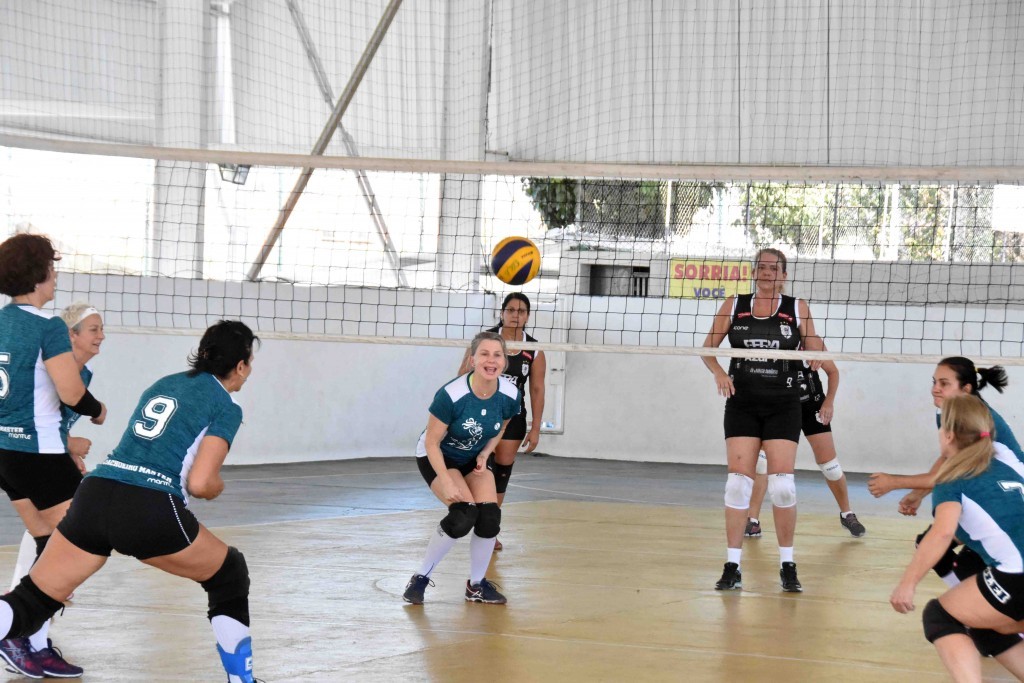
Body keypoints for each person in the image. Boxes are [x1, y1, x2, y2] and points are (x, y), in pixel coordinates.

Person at [0, 320, 261, 683]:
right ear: (242, 365)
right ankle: (241, 681)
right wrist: (217, 488)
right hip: (148, 507)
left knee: (32, 600)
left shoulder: (165, 383)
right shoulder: (226, 405)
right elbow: (201, 483)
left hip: (94, 494)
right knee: (229, 572)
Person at [0, 234, 107, 678]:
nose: (56, 274)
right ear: (41, 273)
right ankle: (13, 629)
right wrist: (98, 411)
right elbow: (70, 391)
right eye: (53, 266)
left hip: (5, 453)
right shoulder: (45, 326)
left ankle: (31, 639)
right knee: (87, 542)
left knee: (49, 547)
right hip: (39, 454)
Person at [701, 248, 825, 593]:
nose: (767, 272)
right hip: (742, 404)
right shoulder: (734, 304)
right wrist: (718, 374)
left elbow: (816, 348)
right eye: (762, 267)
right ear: (754, 272)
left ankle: (788, 563)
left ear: (784, 275)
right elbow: (707, 348)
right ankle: (732, 564)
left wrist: (815, 357)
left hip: (784, 404)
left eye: (774, 268)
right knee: (737, 484)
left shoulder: (796, 308)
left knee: (782, 485)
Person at [890, 394, 1024, 681]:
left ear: (948, 435)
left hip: (1017, 574)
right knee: (984, 624)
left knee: (941, 615)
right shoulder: (1010, 460)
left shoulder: (952, 479)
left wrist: (907, 584)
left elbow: (942, 534)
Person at [869, 357, 1019, 589]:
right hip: (989, 493)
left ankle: (979, 612)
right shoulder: (950, 411)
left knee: (953, 552)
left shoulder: (975, 418)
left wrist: (892, 482)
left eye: (944, 383)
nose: (935, 388)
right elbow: (949, 460)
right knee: (933, 547)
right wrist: (918, 494)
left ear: (966, 389)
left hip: (1007, 496)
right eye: (935, 382)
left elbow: (949, 474)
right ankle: (972, 609)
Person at [404, 331, 521, 605]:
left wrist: (486, 452)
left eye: (497, 355)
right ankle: (420, 577)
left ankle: (477, 586)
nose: (491, 361)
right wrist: (445, 480)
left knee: (489, 517)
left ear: (504, 362)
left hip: (473, 456)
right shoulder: (451, 395)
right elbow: (432, 442)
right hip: (439, 455)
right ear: (472, 360)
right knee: (463, 516)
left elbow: (502, 426)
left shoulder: (509, 394)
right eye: (484, 354)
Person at [9, 303, 105, 592]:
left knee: (49, 531)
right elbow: (27, 418)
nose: (101, 336)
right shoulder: (51, 366)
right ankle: (24, 601)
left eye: (101, 329)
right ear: (71, 335)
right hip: (22, 451)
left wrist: (68, 449)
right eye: (94, 329)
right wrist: (72, 441)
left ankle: (25, 608)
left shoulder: (83, 373)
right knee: (74, 531)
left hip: (36, 453)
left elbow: (53, 422)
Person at [457, 293, 546, 551]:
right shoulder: (485, 340)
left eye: (521, 311)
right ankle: (476, 519)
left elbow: (538, 389)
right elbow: (462, 375)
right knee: (480, 468)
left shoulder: (534, 348)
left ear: (527, 316)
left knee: (501, 475)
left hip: (514, 418)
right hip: (482, 414)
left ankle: (489, 530)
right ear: (502, 313)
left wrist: (536, 427)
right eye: (510, 310)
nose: (515, 315)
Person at [744, 361, 866, 538]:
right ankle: (752, 520)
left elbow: (833, 371)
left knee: (831, 468)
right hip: (781, 406)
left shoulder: (812, 341)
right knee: (762, 462)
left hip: (812, 406)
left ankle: (847, 514)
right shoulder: (775, 337)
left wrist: (829, 402)